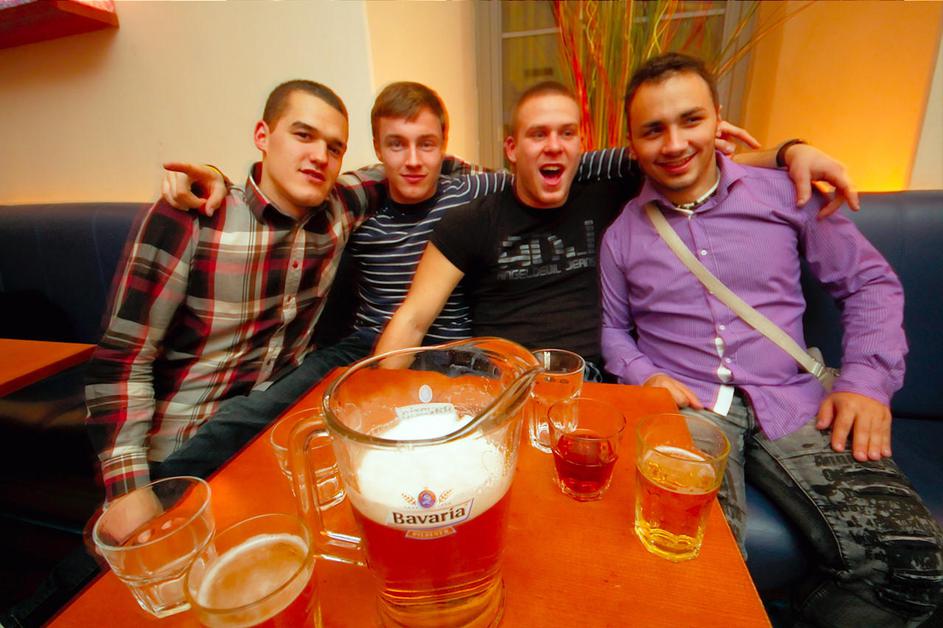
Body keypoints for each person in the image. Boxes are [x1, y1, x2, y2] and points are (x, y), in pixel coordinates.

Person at [600, 53, 942, 625]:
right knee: (688, 569)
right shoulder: (621, 237)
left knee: (913, 572)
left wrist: (867, 381)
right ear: (631, 143)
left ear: (719, 120)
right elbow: (614, 332)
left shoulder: (787, 194)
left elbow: (869, 283)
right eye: (653, 130)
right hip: (689, 409)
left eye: (691, 120)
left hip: (797, 397)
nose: (675, 143)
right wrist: (646, 376)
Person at [373, 80, 857, 377]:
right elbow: (413, 318)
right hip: (504, 384)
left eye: (566, 133)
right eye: (538, 134)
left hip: (595, 381)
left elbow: (697, 165)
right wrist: (375, 400)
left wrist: (789, 152)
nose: (553, 146)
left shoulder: (610, 192)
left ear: (580, 144)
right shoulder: (472, 220)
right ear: (512, 149)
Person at [85, 79, 388, 500]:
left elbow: (408, 164)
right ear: (263, 136)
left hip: (277, 426)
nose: (320, 156)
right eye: (303, 135)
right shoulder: (195, 215)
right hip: (182, 449)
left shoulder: (339, 206)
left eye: (334, 148)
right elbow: (123, 360)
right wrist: (128, 490)